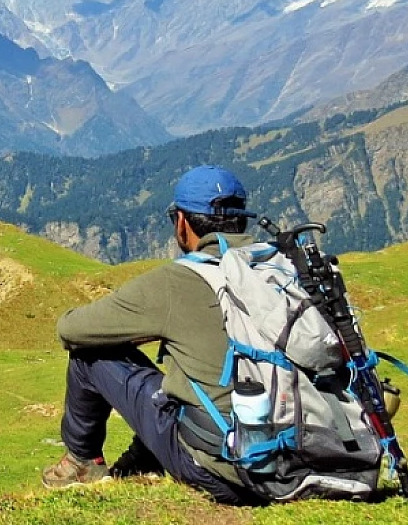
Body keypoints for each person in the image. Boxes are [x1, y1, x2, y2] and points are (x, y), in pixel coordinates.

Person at [40, 165, 266, 506]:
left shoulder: (179, 282)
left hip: (227, 471)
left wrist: (133, 333)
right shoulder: (289, 271)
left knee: (88, 355)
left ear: (182, 222)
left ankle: (81, 464)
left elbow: (71, 329)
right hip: (312, 455)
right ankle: (137, 465)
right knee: (185, 387)